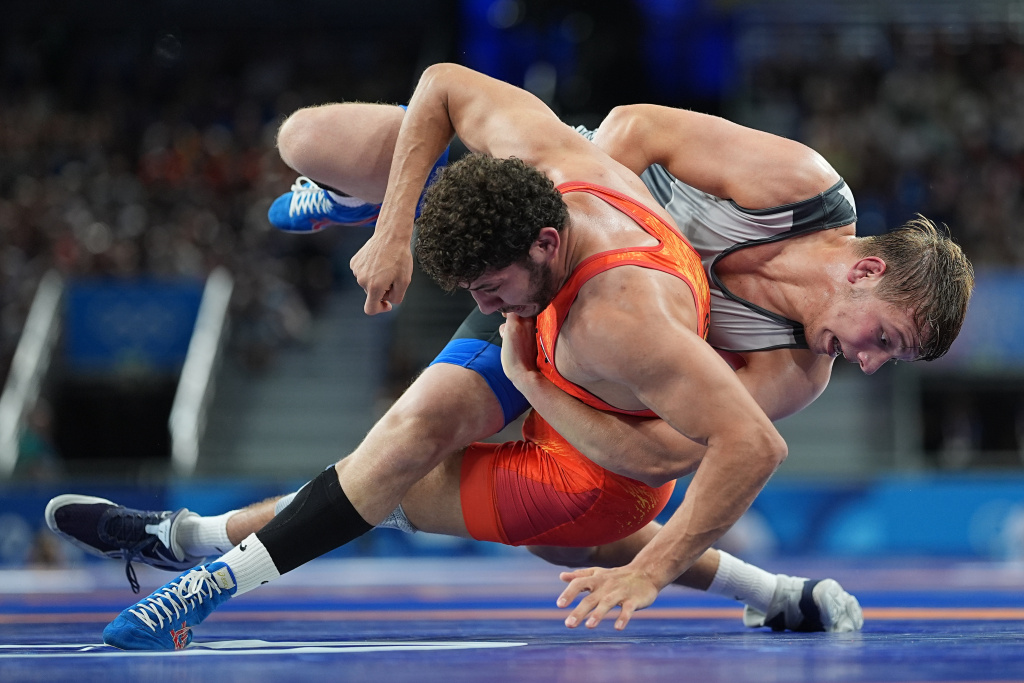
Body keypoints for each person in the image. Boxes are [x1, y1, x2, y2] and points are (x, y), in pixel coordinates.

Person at [46, 67, 973, 648]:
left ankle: (200, 555)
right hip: (553, 243)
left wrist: (538, 381)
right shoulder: (801, 189)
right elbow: (633, 126)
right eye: (883, 337)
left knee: (448, 473)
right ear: (863, 268)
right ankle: (196, 539)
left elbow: (663, 453)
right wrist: (519, 201)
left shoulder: (788, 367)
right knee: (305, 139)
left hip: (588, 344)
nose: (869, 363)